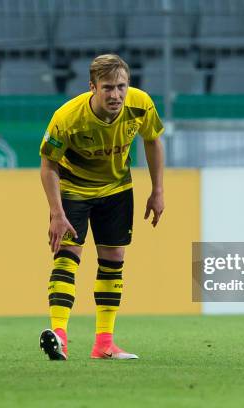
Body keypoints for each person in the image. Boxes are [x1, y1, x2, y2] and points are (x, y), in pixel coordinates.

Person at [38, 54, 165, 360]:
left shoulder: (141, 104)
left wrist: (157, 189)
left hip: (117, 189)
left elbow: (153, 140)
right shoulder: (67, 117)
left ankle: (104, 344)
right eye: (108, 87)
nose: (116, 94)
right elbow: (48, 164)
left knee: (113, 261)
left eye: (121, 86)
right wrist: (57, 212)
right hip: (74, 189)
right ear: (92, 86)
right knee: (67, 257)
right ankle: (59, 335)